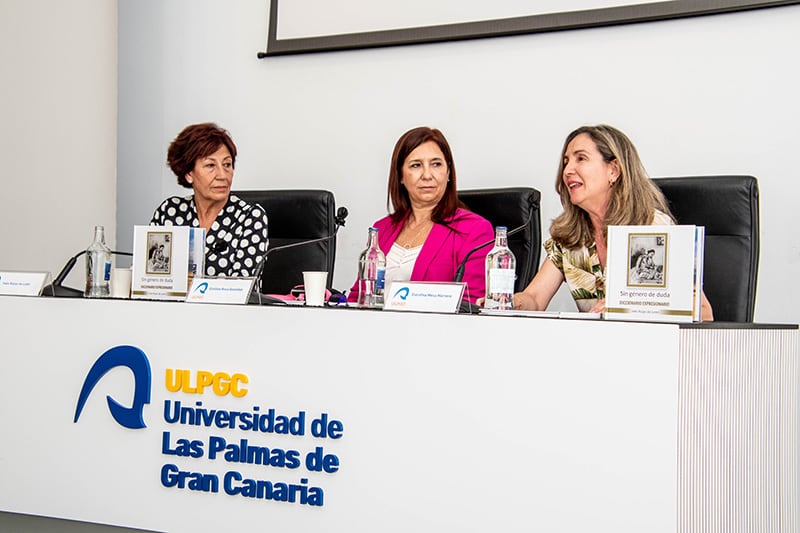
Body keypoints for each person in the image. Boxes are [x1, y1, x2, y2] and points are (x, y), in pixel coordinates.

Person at [510, 124, 713, 320]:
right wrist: (507, 302)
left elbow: (704, 312)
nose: (567, 171)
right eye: (566, 162)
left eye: (581, 158)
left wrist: (627, 309)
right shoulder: (568, 237)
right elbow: (535, 299)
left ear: (613, 170)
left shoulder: (651, 227)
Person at [348, 126, 494, 303]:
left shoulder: (474, 229)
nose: (427, 175)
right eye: (416, 165)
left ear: (448, 172)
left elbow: (472, 303)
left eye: (436, 164)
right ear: (400, 176)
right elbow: (358, 296)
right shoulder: (382, 228)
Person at [150, 123, 269, 277]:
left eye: (227, 164)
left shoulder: (250, 217)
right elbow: (150, 277)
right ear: (189, 173)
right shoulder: (170, 212)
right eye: (210, 165)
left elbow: (243, 288)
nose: (222, 175)